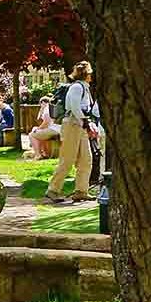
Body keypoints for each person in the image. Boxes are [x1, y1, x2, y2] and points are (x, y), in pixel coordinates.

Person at [45, 62, 98, 204]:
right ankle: (53, 190)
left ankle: (81, 191)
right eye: (90, 73)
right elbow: (74, 107)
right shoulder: (76, 87)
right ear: (85, 74)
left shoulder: (85, 88)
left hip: (80, 126)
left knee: (86, 160)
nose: (91, 76)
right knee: (67, 159)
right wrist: (85, 121)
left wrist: (87, 122)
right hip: (72, 125)